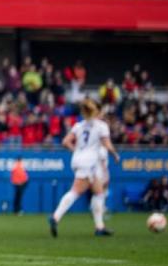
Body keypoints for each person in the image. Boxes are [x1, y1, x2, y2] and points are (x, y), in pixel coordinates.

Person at [49, 99, 120, 237]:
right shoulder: (101, 126)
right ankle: (55, 217)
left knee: (99, 193)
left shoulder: (79, 125)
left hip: (78, 160)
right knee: (76, 192)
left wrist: (77, 151)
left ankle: (100, 227)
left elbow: (65, 142)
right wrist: (115, 155)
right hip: (90, 162)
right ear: (97, 112)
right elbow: (107, 144)